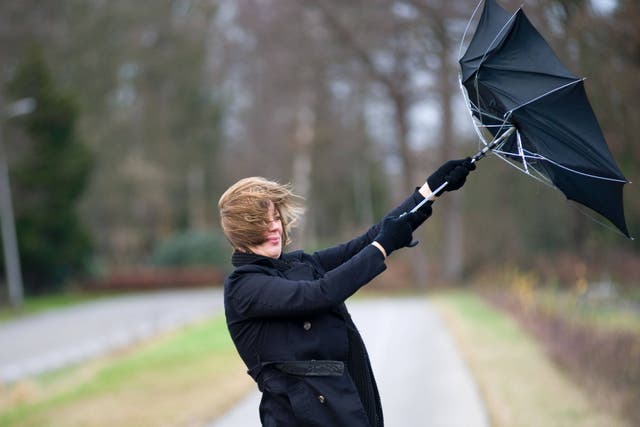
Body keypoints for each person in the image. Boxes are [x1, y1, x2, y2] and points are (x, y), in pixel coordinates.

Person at [218, 158, 476, 427]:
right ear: (241, 231)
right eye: (261, 222)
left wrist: (429, 192)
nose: (274, 227)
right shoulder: (243, 286)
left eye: (275, 218)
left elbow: (366, 241)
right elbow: (319, 294)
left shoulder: (298, 263)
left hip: (345, 402)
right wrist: (382, 247)